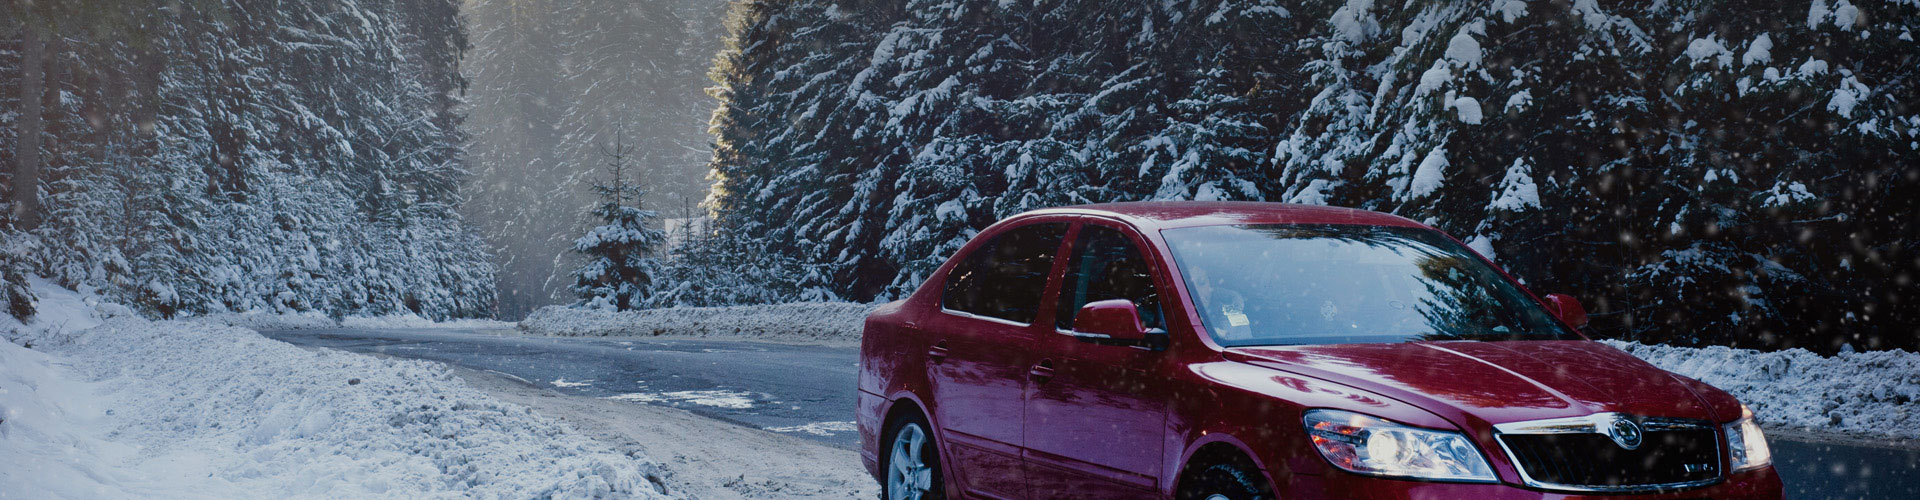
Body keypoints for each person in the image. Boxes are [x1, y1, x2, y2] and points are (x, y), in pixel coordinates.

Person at [1186, 264, 1253, 342]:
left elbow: (1244, 349)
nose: (1196, 291)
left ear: (1211, 286)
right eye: (1188, 286)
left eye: (1202, 283)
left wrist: (1222, 340)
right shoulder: (1171, 321)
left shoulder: (1234, 315)